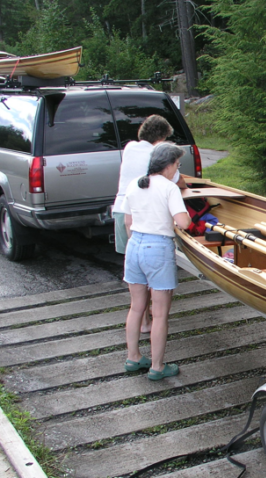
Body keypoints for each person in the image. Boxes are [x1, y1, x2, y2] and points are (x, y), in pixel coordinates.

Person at [121, 143, 191, 380]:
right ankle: (158, 367)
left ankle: (133, 357)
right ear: (169, 165)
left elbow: (127, 223)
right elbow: (184, 223)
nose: (177, 170)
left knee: (136, 307)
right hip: (158, 249)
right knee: (160, 314)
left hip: (134, 247)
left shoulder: (134, 183)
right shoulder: (168, 188)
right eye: (177, 165)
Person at [112, 115, 184, 333]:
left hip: (122, 211)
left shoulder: (130, 148)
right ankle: (157, 317)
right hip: (147, 219)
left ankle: (142, 321)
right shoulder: (156, 155)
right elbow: (178, 181)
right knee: (156, 272)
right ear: (161, 139)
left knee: (135, 273)